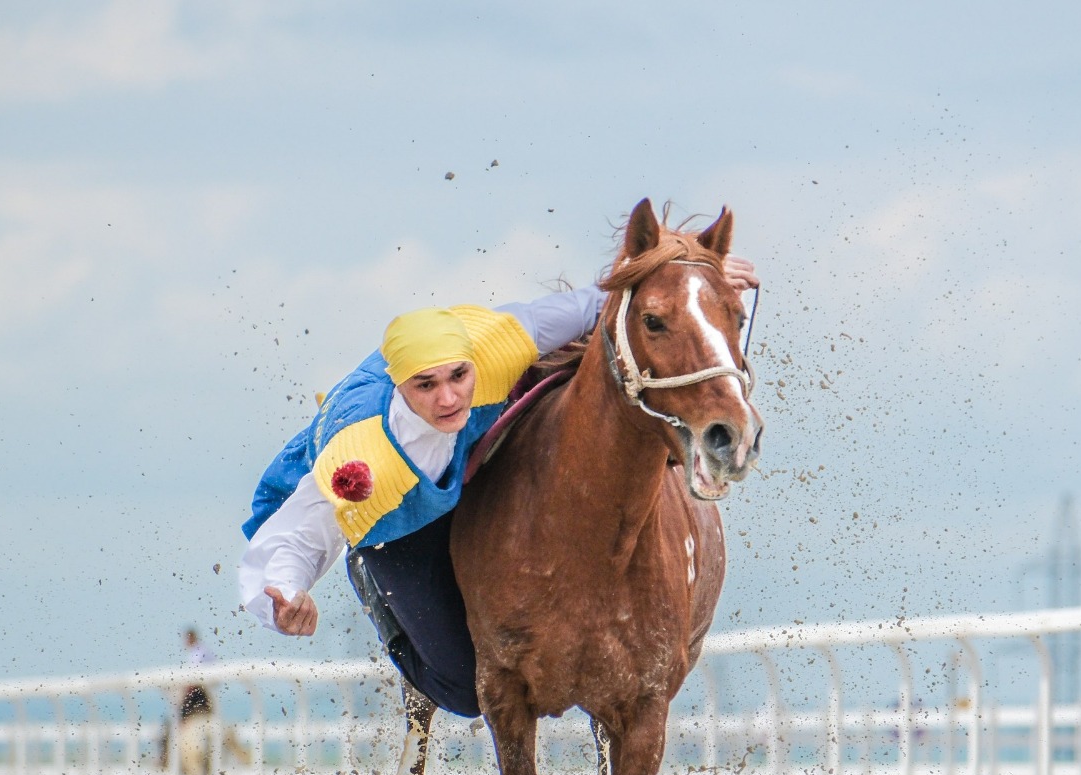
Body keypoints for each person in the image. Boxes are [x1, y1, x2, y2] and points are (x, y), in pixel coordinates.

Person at [238, 252, 759, 718]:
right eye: (427, 386)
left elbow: (602, 304)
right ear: (401, 386)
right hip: (396, 517)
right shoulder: (363, 461)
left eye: (457, 378)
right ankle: (379, 594)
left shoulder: (499, 343)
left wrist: (698, 273)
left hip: (460, 453)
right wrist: (287, 596)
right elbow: (299, 536)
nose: (448, 399)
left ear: (473, 362)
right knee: (466, 693)